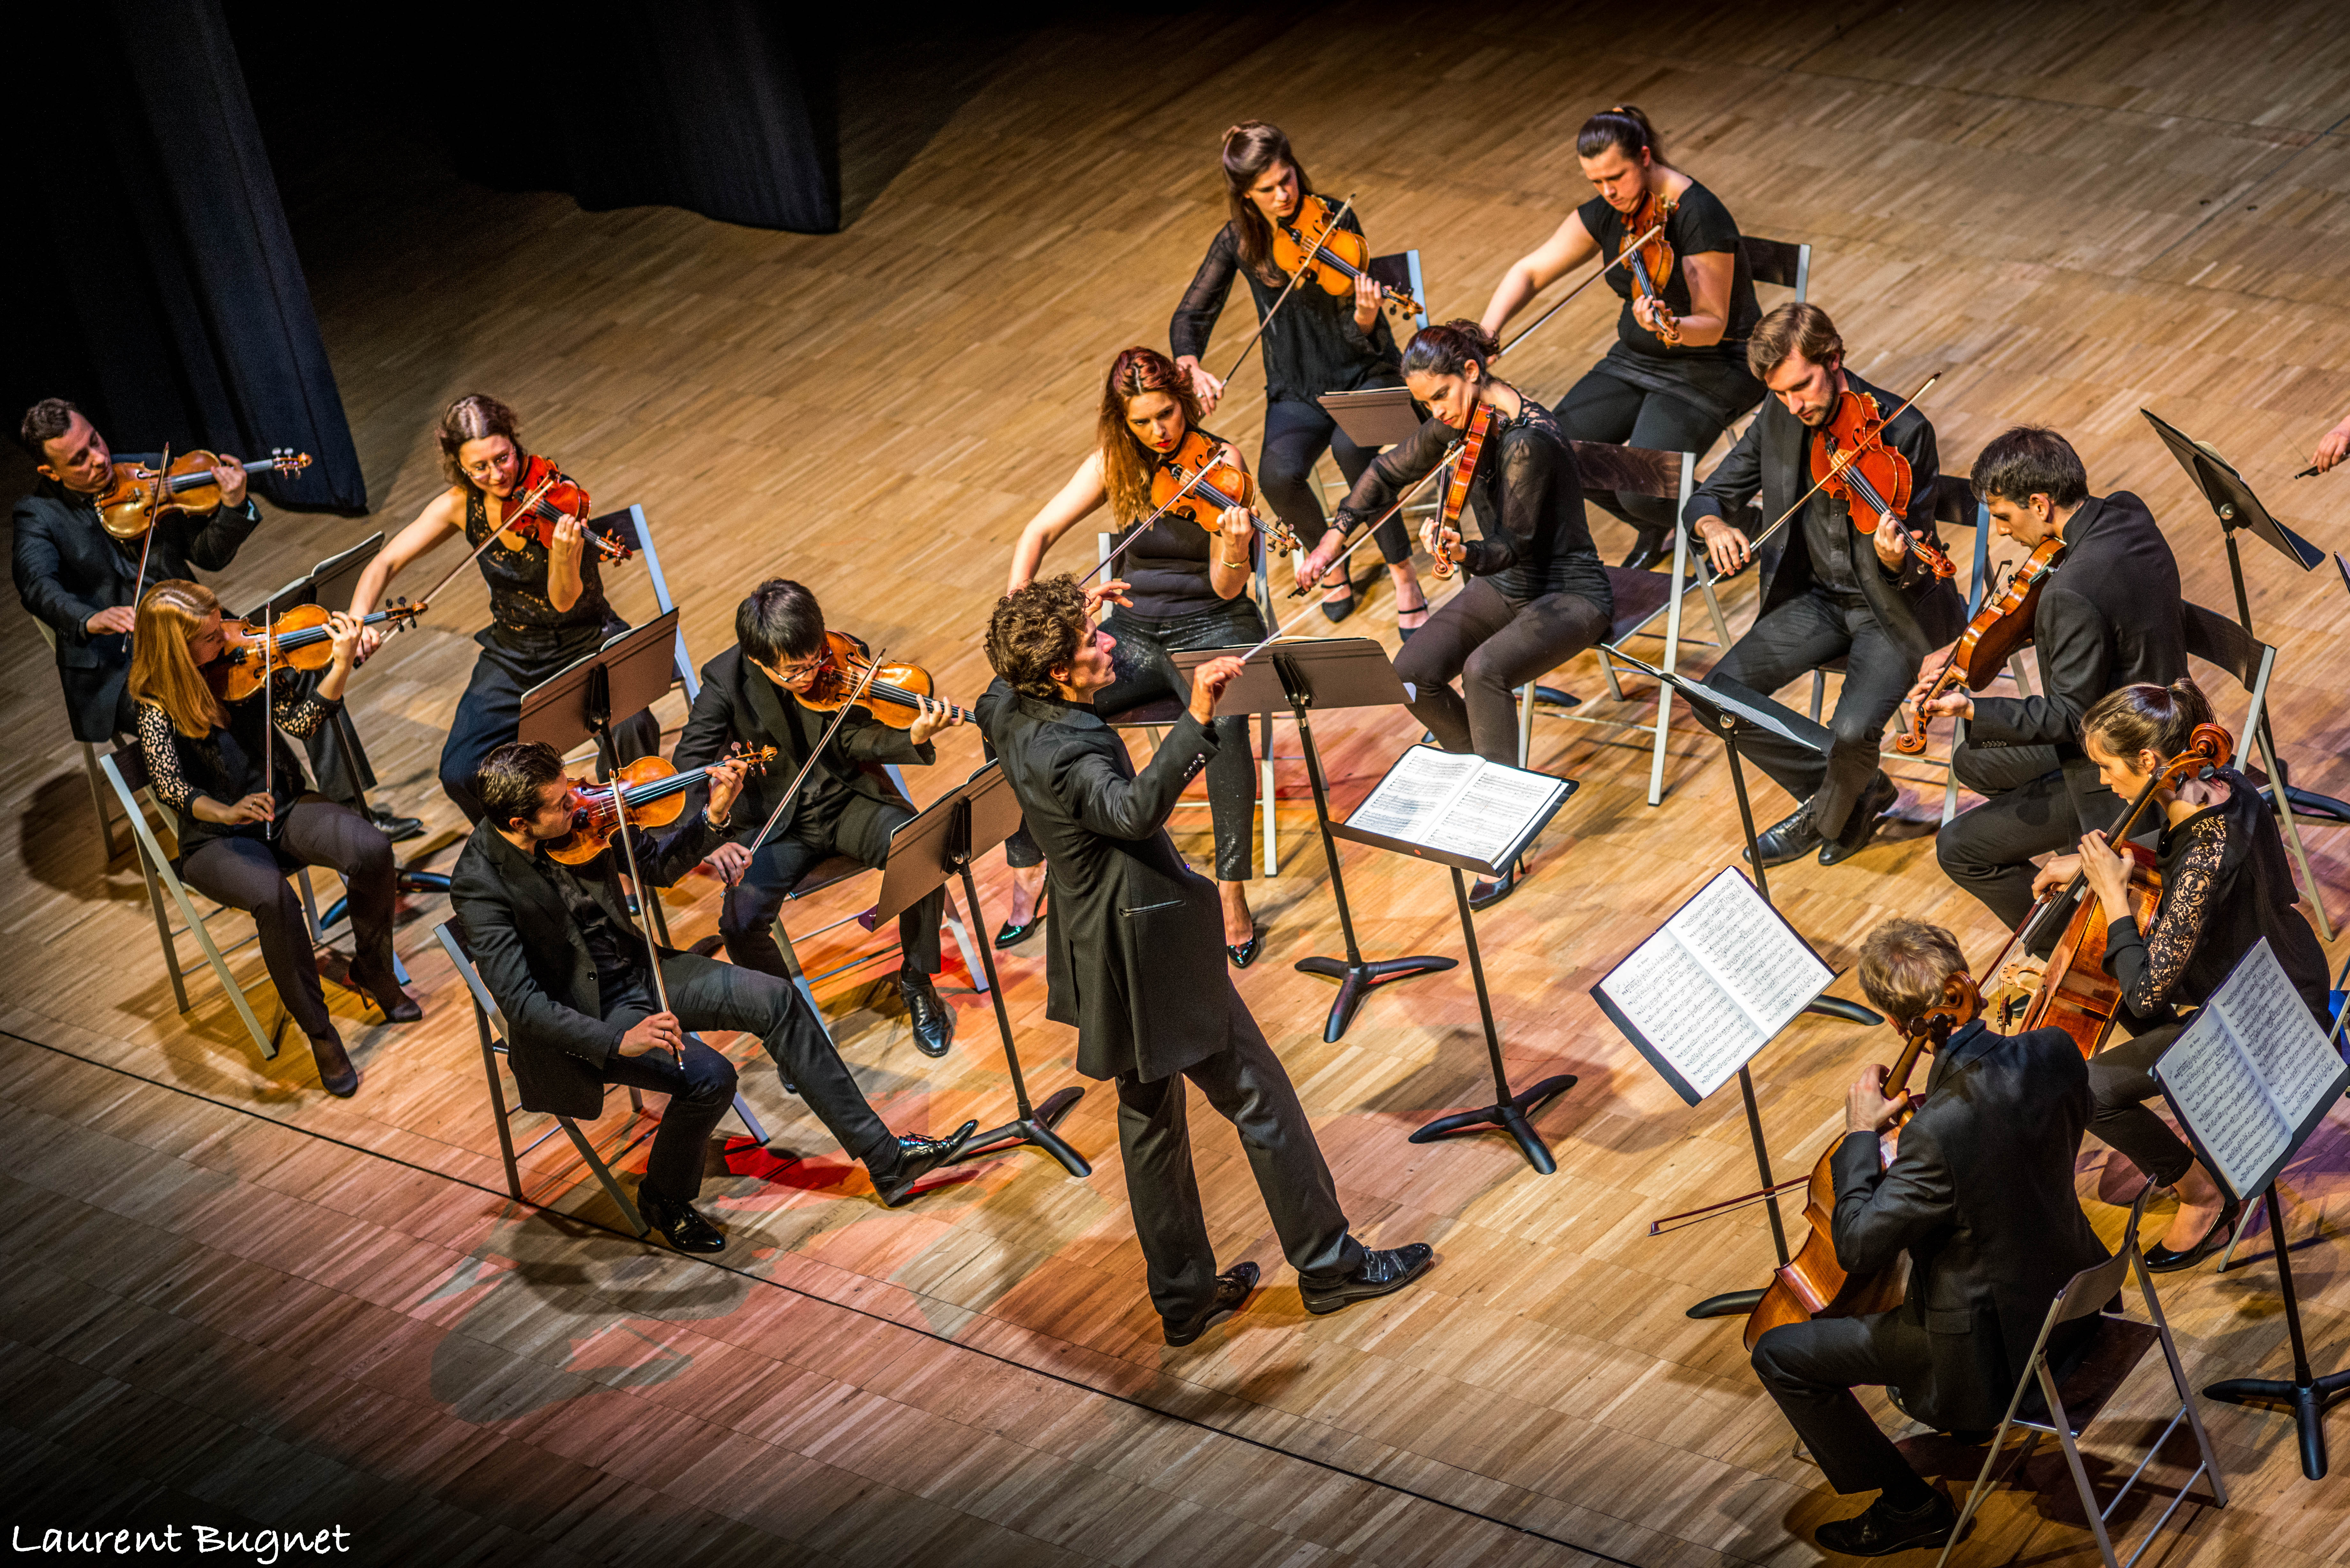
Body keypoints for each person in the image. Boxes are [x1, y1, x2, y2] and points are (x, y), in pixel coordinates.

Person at [978, 578, 1435, 1345]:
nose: (1109, 644)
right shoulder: (1067, 749)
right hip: (1148, 947)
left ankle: (1184, 1300)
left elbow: (1007, 666)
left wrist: (1073, 611)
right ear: (1057, 671)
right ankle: (1329, 1265)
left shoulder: (1008, 708)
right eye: (1093, 644)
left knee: (1149, 1122)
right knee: (1259, 1096)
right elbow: (1129, 812)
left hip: (1097, 946)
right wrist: (1196, 718)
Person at [449, 741, 979, 1251]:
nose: (582, 804)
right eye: (562, 804)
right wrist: (619, 1039)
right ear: (520, 824)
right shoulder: (480, 886)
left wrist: (714, 819)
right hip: (590, 1015)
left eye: (573, 790)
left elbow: (659, 868)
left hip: (640, 969)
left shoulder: (585, 822)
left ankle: (887, 1162)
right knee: (710, 1078)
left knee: (777, 999)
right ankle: (663, 1197)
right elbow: (521, 1005)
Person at [1749, 917, 2107, 1556]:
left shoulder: (1932, 1133)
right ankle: (1954, 1432)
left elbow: (1858, 1245)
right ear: (1964, 984)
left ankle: (1909, 1505)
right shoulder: (2055, 1048)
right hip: (2078, 1303)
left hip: (1995, 1352)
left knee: (1778, 1353)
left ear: (1896, 1023)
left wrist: (1861, 1134)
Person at [2014, 680, 2333, 1270]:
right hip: (2276, 967)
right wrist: (2103, 865)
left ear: (2148, 760)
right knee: (2114, 982)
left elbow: (2148, 988)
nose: (2105, 782)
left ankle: (2202, 1190)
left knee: (2087, 1090)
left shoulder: (2207, 855)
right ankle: (2194, 1116)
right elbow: (2172, 854)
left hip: (2265, 1014)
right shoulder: (2220, 784)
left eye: (2109, 768)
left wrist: (2112, 894)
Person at [1300, 321, 1611, 908]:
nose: (1436, 414)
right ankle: (1496, 783)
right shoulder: (1461, 420)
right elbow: (1388, 471)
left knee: (1483, 671)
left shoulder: (1527, 440)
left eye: (1440, 397)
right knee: (1411, 671)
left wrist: (1460, 549)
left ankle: (1502, 831)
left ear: (1472, 373)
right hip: (1508, 584)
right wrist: (1333, 538)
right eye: (1425, 404)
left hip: (1569, 592)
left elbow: (1513, 543)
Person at [12, 398, 413, 841]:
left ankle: (352, 814)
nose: (100, 460)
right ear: (50, 472)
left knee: (299, 662)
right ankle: (260, 827)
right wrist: (91, 619)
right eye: (80, 460)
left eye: (96, 441)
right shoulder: (39, 517)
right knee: (225, 695)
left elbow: (207, 555)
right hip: (125, 666)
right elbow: (37, 586)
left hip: (201, 636)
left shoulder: (147, 473)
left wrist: (233, 506)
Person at [1003, 346, 1271, 964]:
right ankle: (1027, 863)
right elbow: (1036, 532)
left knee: (1225, 726)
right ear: (1122, 421)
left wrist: (1235, 547)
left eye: (1168, 415)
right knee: (1031, 705)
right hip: (1131, 635)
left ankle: (1230, 892)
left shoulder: (1222, 460)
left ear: (1183, 400)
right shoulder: (1114, 464)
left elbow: (1228, 587)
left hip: (1212, 623)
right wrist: (1019, 612)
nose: (1160, 431)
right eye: (1144, 421)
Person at [1686, 303, 1964, 868]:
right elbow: (1709, 496)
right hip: (1815, 602)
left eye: (1803, 387)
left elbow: (1917, 560)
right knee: (1713, 696)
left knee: (1855, 729)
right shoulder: (1780, 415)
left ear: (1834, 359)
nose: (1796, 405)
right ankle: (1854, 789)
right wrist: (1713, 526)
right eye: (1782, 393)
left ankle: (1826, 813)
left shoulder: (1904, 429)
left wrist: (1893, 560)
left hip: (1892, 610)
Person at [129, 581, 419, 1097]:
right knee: (274, 897)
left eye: (224, 627)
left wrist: (341, 665)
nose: (231, 640)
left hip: (283, 807)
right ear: (178, 649)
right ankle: (320, 1031)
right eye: (212, 637)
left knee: (371, 848)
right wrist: (227, 809)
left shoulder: (248, 662)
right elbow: (172, 786)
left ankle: (373, 970)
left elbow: (304, 722)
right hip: (217, 839)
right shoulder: (154, 705)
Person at [1910, 427, 2187, 927]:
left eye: (2003, 517)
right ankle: (2063, 842)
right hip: (2166, 710)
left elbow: (2068, 716)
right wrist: (1971, 646)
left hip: (2125, 766)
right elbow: (2098, 621)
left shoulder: (2072, 594)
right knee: (1975, 760)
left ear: (2040, 504)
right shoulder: (2127, 512)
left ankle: (2063, 941)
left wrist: (1971, 706)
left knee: (1958, 846)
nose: (1999, 533)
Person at [673, 579, 962, 1057]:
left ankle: (915, 980)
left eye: (815, 661)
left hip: (847, 801)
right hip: (776, 824)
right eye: (795, 671)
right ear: (761, 661)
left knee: (923, 850)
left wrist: (912, 735)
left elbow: (853, 740)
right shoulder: (727, 679)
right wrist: (710, 836)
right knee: (740, 924)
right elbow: (686, 767)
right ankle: (790, 1029)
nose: (813, 674)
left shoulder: (838, 654)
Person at [344, 394, 659, 823]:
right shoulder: (461, 504)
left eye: (504, 458)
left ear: (515, 443)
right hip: (514, 653)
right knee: (460, 772)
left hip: (587, 640)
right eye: (480, 467)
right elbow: (386, 562)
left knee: (632, 727)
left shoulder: (559, 497)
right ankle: (530, 852)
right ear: (460, 466)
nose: (497, 475)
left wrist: (566, 555)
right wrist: (360, 619)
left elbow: (563, 601)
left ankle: (621, 840)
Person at [1479, 106, 1764, 571]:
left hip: (1712, 365)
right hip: (1636, 359)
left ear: (1646, 157)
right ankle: (1660, 525)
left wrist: (1670, 326)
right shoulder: (1616, 210)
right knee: (1551, 450)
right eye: (1596, 182)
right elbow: (1530, 271)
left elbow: (1712, 321)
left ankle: (1744, 526)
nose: (1608, 192)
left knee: (1643, 489)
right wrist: (1489, 331)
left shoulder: (1699, 215)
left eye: (1617, 177)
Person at [1171, 122, 1430, 632]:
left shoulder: (1333, 216)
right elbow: (1192, 315)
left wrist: (1364, 316)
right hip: (1297, 388)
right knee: (1275, 475)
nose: (1284, 194)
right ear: (1246, 195)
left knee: (1353, 451)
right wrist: (1190, 363)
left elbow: (1365, 336)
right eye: (1267, 189)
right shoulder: (1239, 242)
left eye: (1287, 179)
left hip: (1366, 373)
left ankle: (1404, 573)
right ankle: (1328, 557)